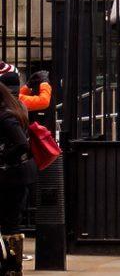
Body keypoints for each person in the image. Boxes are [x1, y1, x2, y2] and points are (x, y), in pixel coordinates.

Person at [0, 83, 35, 276]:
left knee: (10, 222)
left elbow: (22, 144)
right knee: (10, 221)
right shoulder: (13, 110)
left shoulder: (5, 116)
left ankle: (12, 268)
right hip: (14, 177)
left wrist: (4, 156)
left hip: (12, 178)